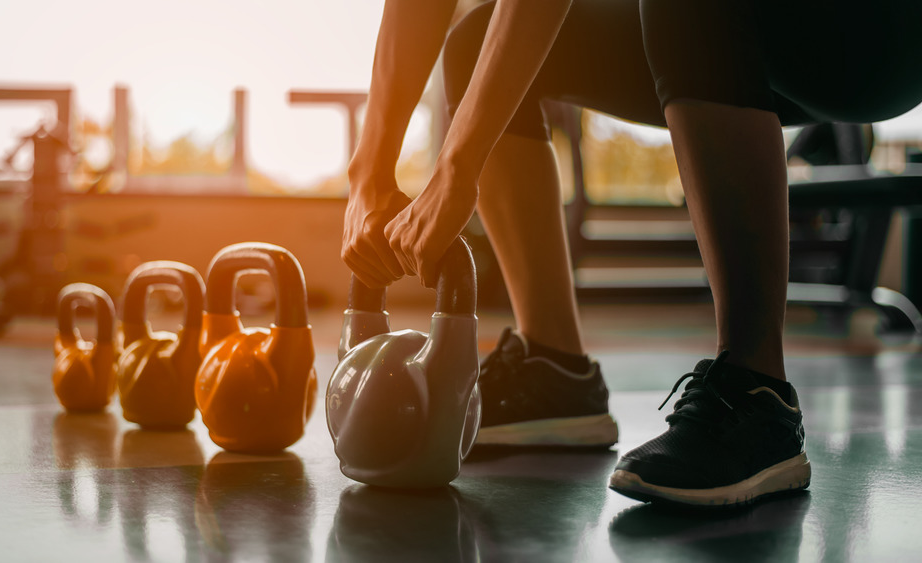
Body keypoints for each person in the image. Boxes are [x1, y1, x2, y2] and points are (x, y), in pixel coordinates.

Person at [341, 0, 922, 507]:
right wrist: (368, 175)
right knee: (475, 43)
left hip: (881, 27)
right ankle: (554, 370)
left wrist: (456, 168)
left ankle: (757, 394)